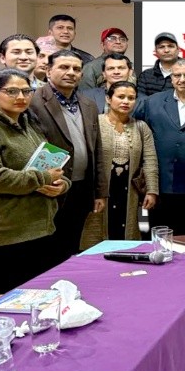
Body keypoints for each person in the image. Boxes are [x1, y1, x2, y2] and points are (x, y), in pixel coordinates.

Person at [0, 69, 70, 294]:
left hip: (39, 229)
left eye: (26, 91)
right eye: (11, 91)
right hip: (3, 235)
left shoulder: (30, 125)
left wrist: (61, 185)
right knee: (1, 304)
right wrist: (43, 178)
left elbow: (50, 168)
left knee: (38, 302)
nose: (21, 97)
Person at [28, 50, 107, 261]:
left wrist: (99, 191)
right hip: (48, 188)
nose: (71, 73)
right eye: (64, 67)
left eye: (76, 69)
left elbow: (97, 149)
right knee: (46, 250)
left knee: (72, 246)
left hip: (81, 187)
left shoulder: (88, 104)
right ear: (48, 70)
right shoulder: (33, 102)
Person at [134, 59, 185, 236]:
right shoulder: (152, 102)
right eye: (177, 75)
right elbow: (134, 128)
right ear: (171, 78)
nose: (182, 79)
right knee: (159, 237)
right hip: (160, 184)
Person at [81, 81, 158, 249]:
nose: (126, 102)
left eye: (131, 98)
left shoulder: (141, 127)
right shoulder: (95, 123)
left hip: (130, 189)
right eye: (121, 97)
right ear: (108, 99)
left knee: (130, 233)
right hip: (101, 188)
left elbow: (150, 160)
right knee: (95, 233)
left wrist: (152, 191)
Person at [137, 32, 180, 97]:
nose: (166, 50)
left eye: (170, 46)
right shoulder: (146, 75)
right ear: (156, 51)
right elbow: (141, 99)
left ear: (178, 49)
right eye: (161, 47)